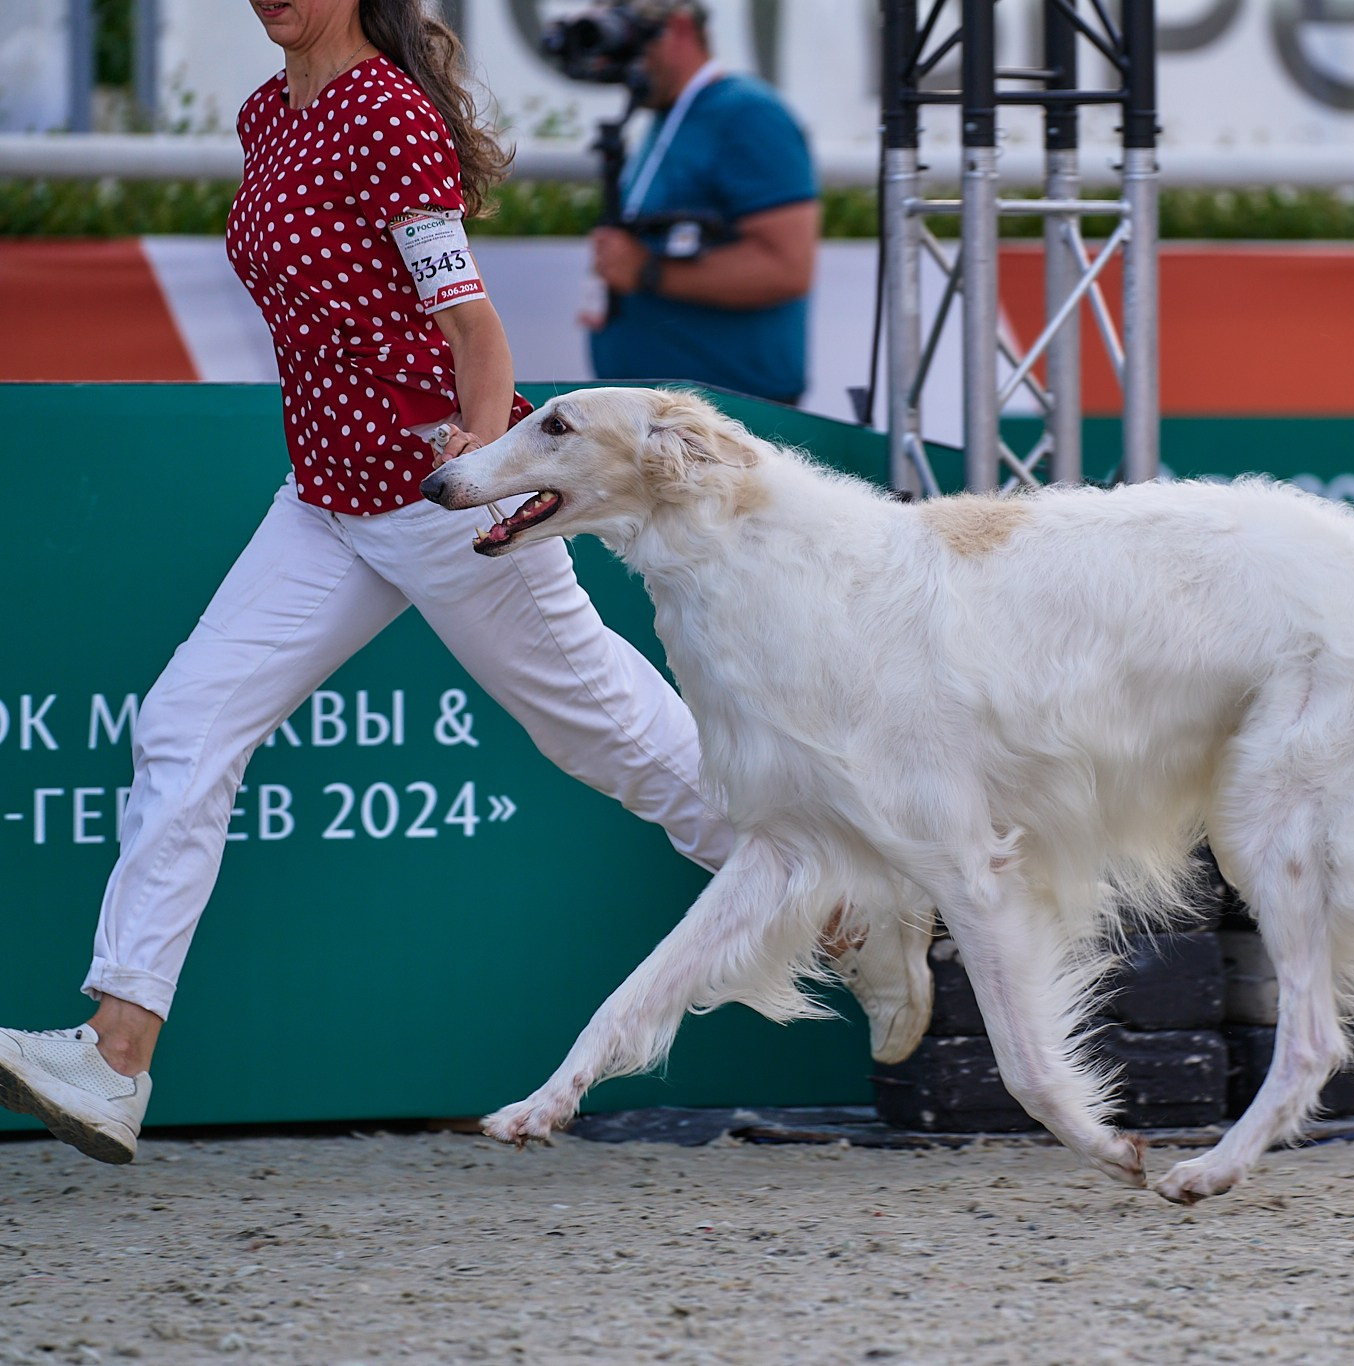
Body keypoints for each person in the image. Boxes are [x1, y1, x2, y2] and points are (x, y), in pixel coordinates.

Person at [0, 0, 923, 1166]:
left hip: (442, 496)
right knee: (186, 724)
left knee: (623, 744)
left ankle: (841, 905)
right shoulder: (265, 115)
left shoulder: (387, 114)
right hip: (325, 499)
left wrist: (482, 475)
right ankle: (115, 1053)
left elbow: (476, 335)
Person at [583, 0, 818, 406]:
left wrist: (648, 271)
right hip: (670, 415)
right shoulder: (671, 115)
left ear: (679, 27)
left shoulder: (749, 115)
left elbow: (787, 268)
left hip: (730, 417)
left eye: (629, 33)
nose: (619, 57)